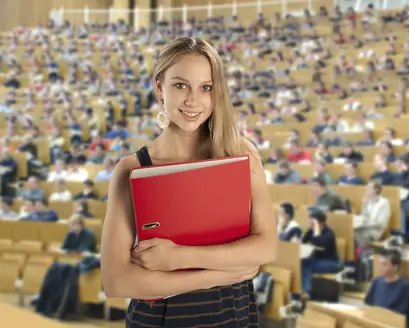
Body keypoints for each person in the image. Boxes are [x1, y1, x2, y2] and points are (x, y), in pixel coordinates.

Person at [101, 37, 277, 328]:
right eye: (181, 85)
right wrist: (220, 274)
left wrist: (177, 257)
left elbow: (266, 247)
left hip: (233, 316)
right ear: (160, 87)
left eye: (206, 88)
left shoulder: (240, 155)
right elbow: (117, 281)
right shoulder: (130, 170)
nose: (193, 100)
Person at [365, 249, 409, 325]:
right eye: (380, 264)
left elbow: (399, 314)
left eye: (384, 264)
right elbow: (368, 304)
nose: (380, 267)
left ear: (395, 267)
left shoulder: (404, 286)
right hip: (374, 322)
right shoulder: (377, 281)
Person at [300, 210, 339, 295]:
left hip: (331, 262)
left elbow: (317, 243)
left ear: (320, 223)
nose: (309, 223)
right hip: (317, 260)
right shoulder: (311, 231)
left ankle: (306, 291)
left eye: (312, 221)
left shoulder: (329, 234)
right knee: (301, 263)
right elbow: (302, 241)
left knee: (305, 266)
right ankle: (302, 291)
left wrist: (316, 231)